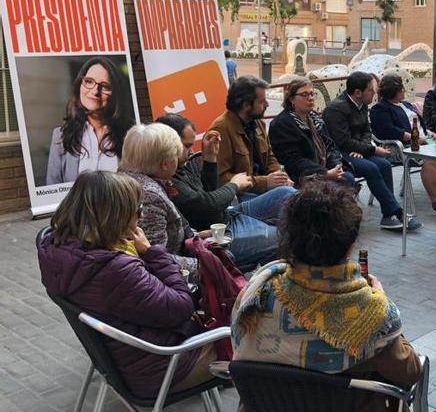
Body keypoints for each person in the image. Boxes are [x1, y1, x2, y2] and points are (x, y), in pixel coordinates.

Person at [231, 180, 423, 412]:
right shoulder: (369, 316)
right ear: (350, 246)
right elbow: (410, 372)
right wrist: (381, 306)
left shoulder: (256, 292)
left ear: (289, 238)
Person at [38, 171, 215, 398]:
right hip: (162, 367)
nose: (140, 217)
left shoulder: (56, 247)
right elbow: (181, 307)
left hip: (118, 359)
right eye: (137, 210)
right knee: (245, 346)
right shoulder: (114, 269)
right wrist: (153, 253)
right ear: (116, 217)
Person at [156, 114, 280, 271]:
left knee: (285, 195)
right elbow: (207, 205)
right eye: (186, 146)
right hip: (217, 231)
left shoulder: (181, 166)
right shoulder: (168, 176)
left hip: (226, 215)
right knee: (284, 236)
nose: (191, 151)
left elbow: (208, 193)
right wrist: (234, 185)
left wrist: (210, 158)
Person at [324, 71, 421, 231]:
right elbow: (342, 141)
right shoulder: (336, 109)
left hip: (357, 151)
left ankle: (388, 216)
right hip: (340, 154)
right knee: (372, 167)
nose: (374, 93)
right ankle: (396, 211)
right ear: (357, 93)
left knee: (383, 164)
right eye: (370, 90)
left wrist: (363, 149)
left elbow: (366, 131)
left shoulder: (362, 104)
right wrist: (372, 149)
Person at [118, 124, 201, 276]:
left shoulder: (125, 180)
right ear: (165, 164)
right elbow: (154, 258)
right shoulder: (148, 196)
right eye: (176, 155)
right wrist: (204, 267)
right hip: (173, 280)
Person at [370, 75, 436, 214]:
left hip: (422, 140)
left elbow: (419, 124)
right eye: (402, 89)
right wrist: (414, 138)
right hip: (400, 146)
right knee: (430, 158)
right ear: (394, 91)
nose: (404, 92)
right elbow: (387, 130)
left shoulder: (405, 105)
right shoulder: (381, 108)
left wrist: (429, 132)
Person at [46, 57, 136, 185]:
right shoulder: (60, 136)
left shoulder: (131, 135)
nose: (95, 91)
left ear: (116, 93)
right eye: (89, 81)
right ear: (79, 85)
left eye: (105, 86)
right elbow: (52, 189)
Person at [208, 75, 296, 201]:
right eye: (262, 101)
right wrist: (264, 182)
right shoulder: (221, 129)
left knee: (297, 197)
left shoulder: (257, 122)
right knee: (292, 198)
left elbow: (269, 156)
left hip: (263, 191)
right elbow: (220, 179)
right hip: (240, 197)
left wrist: (280, 177)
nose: (267, 104)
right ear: (246, 105)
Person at [268, 77, 355, 187]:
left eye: (312, 94)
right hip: (302, 176)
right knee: (340, 185)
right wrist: (324, 173)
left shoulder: (315, 118)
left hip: (324, 168)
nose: (310, 98)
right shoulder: (282, 123)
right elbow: (293, 161)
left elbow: (331, 147)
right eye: (304, 95)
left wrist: (336, 166)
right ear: (291, 99)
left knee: (347, 177)